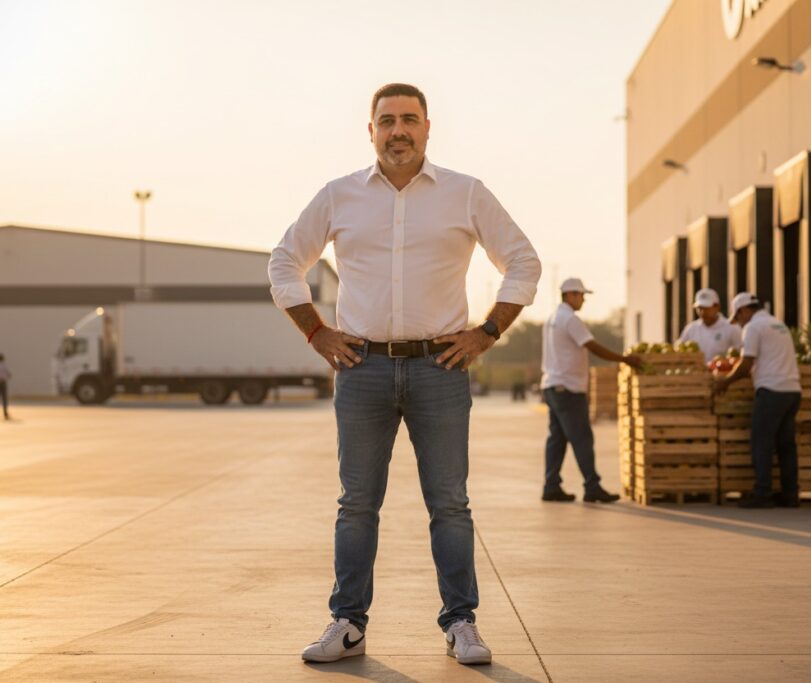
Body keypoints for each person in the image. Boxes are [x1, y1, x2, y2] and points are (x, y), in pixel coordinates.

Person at [268, 83, 541, 666]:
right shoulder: (339, 196)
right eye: (386, 120)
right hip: (360, 367)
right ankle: (348, 623)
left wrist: (487, 332)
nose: (398, 130)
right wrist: (316, 332)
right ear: (370, 130)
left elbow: (523, 261)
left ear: (427, 128)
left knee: (449, 503)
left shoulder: (466, 194)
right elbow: (284, 260)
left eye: (409, 120)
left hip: (439, 368)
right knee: (357, 503)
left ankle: (460, 622)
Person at [540, 277, 642, 503]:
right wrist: (625, 359)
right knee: (582, 438)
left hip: (552, 385)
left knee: (557, 439)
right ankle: (592, 486)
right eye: (581, 295)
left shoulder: (552, 318)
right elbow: (592, 346)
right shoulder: (570, 319)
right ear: (570, 295)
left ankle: (551, 485)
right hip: (568, 388)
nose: (583, 300)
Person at [714, 292, 802, 508]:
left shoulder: (753, 327)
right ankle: (790, 495)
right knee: (786, 446)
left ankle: (763, 494)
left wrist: (724, 382)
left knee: (761, 443)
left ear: (744, 311)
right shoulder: (778, 324)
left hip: (771, 390)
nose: (739, 323)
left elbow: (746, 365)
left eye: (738, 317)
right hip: (792, 391)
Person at [677, 288, 742, 362]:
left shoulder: (732, 328)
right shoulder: (691, 329)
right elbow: (679, 351)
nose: (702, 312)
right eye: (699, 308)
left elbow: (739, 355)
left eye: (706, 308)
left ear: (717, 307)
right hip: (695, 373)